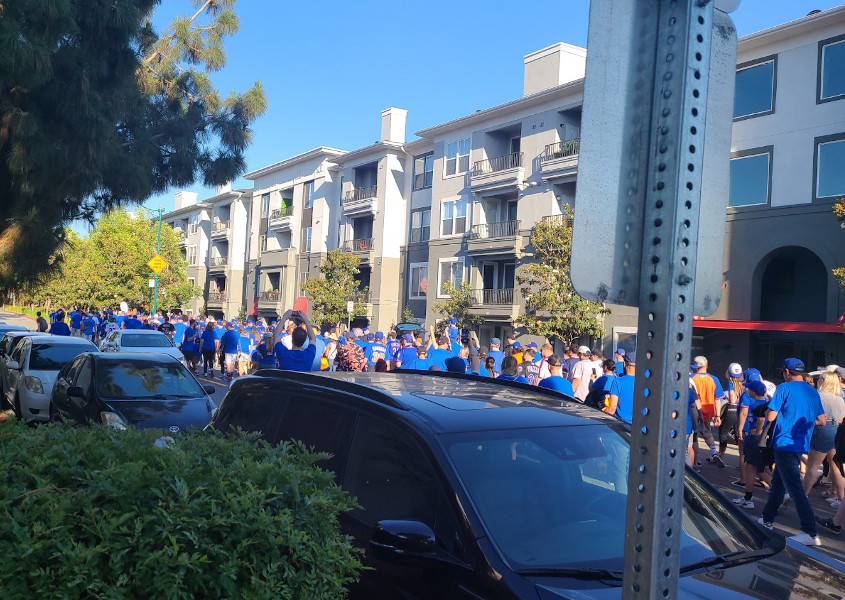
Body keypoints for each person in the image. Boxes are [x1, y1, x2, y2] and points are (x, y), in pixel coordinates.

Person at [758, 358, 826, 546]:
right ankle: (767, 518)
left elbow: (771, 415)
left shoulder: (783, 388)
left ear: (786, 371)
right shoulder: (812, 391)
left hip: (784, 442)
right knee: (779, 483)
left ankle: (810, 531)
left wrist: (769, 413)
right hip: (800, 443)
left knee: (795, 488)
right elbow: (822, 420)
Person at [802, 371, 845, 501]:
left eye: (820, 378)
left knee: (812, 466)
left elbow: (811, 415)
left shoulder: (818, 396)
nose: (818, 380)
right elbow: (841, 419)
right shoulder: (839, 398)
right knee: (835, 466)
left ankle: (803, 495)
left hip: (821, 429)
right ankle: (840, 497)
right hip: (836, 430)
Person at [732, 380, 770, 509]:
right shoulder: (766, 403)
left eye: (749, 389)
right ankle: (748, 497)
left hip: (755, 438)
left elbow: (760, 419)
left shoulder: (756, 405)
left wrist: (757, 433)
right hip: (762, 438)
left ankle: (749, 498)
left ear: (753, 392)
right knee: (758, 469)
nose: (747, 391)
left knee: (754, 469)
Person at [690, 355, 726, 468]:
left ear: (696, 366)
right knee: (707, 432)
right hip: (708, 411)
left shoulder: (691, 378)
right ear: (707, 365)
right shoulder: (713, 379)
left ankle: (696, 460)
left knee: (694, 436)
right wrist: (717, 415)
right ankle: (714, 452)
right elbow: (718, 399)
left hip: (694, 411)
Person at [605, 353, 635, 423]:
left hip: (622, 426)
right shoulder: (643, 383)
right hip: (640, 427)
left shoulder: (618, 381)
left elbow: (612, 408)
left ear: (624, 364)